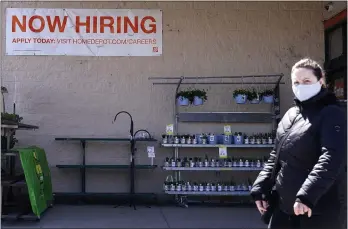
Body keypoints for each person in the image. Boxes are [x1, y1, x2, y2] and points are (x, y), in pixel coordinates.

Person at [250, 58, 346, 229]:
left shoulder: (331, 113)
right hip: (284, 206)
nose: (301, 86)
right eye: (296, 82)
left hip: (314, 209)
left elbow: (331, 157)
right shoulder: (291, 114)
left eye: (306, 81)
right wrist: (260, 187)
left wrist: (306, 196)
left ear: (321, 81)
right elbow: (276, 155)